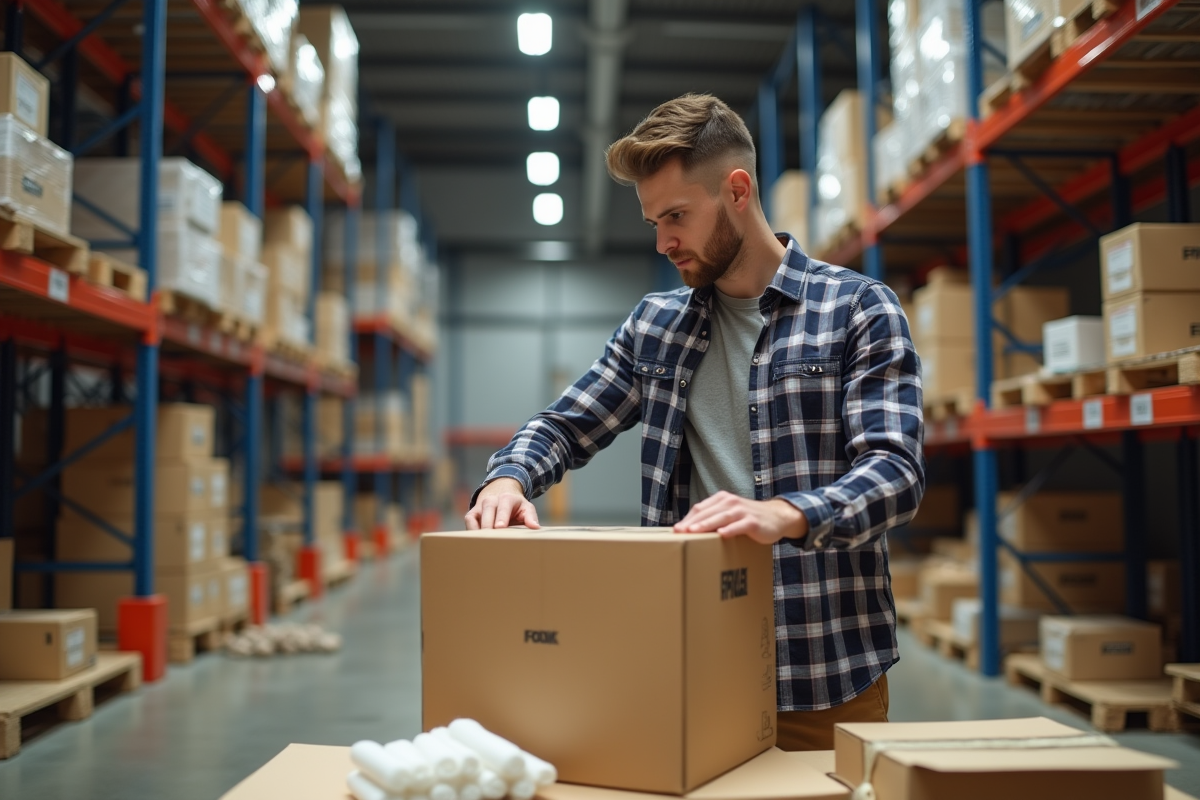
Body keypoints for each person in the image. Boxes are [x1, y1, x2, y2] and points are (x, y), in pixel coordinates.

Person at [465, 93, 924, 750]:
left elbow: (895, 472)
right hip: (686, 668)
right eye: (654, 222)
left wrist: (787, 514)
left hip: (824, 674)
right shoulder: (656, 326)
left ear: (737, 190)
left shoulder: (858, 310)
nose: (663, 243)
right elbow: (564, 425)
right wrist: (508, 478)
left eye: (676, 216)